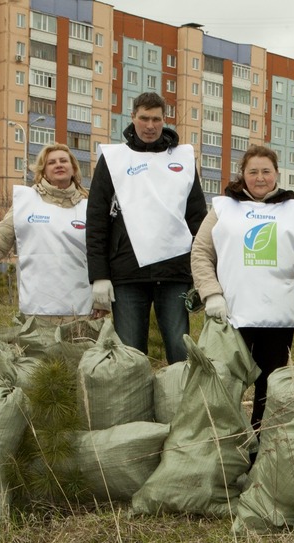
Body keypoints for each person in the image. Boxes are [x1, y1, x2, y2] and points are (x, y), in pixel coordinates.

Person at [190, 144, 294, 430]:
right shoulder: (224, 207)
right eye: (253, 172)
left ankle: (261, 442)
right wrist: (211, 293)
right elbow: (201, 252)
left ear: (276, 174)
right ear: (242, 174)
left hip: (278, 317)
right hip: (232, 315)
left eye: (266, 171)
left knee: (269, 385)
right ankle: (227, 439)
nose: (260, 178)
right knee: (226, 381)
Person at [86, 92, 207, 362]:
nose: (150, 126)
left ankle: (181, 403)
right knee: (131, 356)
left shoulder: (183, 158)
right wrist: (99, 275)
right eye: (144, 118)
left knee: (180, 349)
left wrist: (202, 273)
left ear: (165, 120)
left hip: (175, 271)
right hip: (128, 273)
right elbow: (96, 220)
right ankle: (135, 405)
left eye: (156, 119)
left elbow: (197, 218)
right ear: (132, 118)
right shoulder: (114, 159)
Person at [0, 143, 91, 319]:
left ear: (74, 169)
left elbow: (101, 252)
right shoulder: (26, 203)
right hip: (37, 311)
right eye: (52, 162)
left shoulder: (89, 206)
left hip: (81, 310)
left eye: (63, 161)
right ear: (43, 171)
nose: (59, 165)